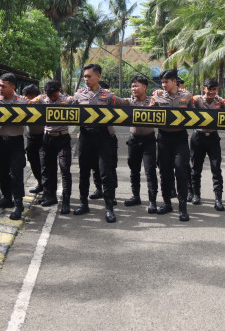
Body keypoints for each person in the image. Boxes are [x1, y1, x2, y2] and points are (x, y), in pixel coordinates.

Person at [73, 64, 126, 223]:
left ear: (98, 77)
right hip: (85, 136)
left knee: (105, 173)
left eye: (89, 76)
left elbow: (126, 105)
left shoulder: (109, 97)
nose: (86, 79)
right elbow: (66, 110)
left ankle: (109, 208)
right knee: (83, 171)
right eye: (85, 76)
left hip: (103, 137)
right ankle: (83, 203)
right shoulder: (78, 96)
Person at [150, 69, 194, 221]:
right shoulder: (158, 96)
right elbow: (148, 116)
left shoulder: (187, 96)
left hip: (180, 138)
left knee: (181, 170)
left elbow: (197, 115)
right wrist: (152, 104)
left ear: (175, 81)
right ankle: (167, 203)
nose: (163, 85)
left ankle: (183, 207)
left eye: (166, 82)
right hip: (163, 138)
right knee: (165, 172)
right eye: (162, 82)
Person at [0, 73, 28, 220]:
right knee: (1, 171)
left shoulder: (22, 103)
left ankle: (18, 203)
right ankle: (7, 198)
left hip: (15, 142)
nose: (0, 88)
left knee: (16, 174)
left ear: (13, 87)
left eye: (3, 86)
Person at [190, 78, 225, 211]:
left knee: (216, 168)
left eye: (214, 89)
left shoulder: (220, 101)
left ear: (217, 90)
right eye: (209, 89)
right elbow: (186, 102)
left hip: (213, 138)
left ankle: (218, 199)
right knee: (196, 168)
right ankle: (196, 195)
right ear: (204, 88)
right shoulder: (196, 100)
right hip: (198, 137)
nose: (211, 92)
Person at [33, 80, 74, 213]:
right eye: (49, 96)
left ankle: (66, 201)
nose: (52, 98)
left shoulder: (67, 100)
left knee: (65, 169)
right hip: (47, 138)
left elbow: (80, 105)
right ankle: (50, 196)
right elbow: (28, 104)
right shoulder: (42, 100)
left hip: (63, 138)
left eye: (54, 96)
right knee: (47, 169)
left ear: (59, 91)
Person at [124, 76, 159, 213]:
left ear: (144, 87)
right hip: (133, 140)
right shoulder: (128, 102)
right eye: (132, 86)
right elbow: (113, 101)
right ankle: (136, 196)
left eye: (136, 86)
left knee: (150, 171)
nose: (133, 89)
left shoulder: (153, 101)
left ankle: (152, 201)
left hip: (148, 140)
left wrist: (158, 97)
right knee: (134, 170)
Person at [21, 84, 45, 196]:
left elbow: (36, 100)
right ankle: (40, 183)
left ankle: (46, 187)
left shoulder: (40, 100)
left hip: (43, 137)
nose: (25, 98)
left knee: (43, 163)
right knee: (32, 160)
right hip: (30, 136)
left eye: (27, 96)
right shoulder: (25, 102)